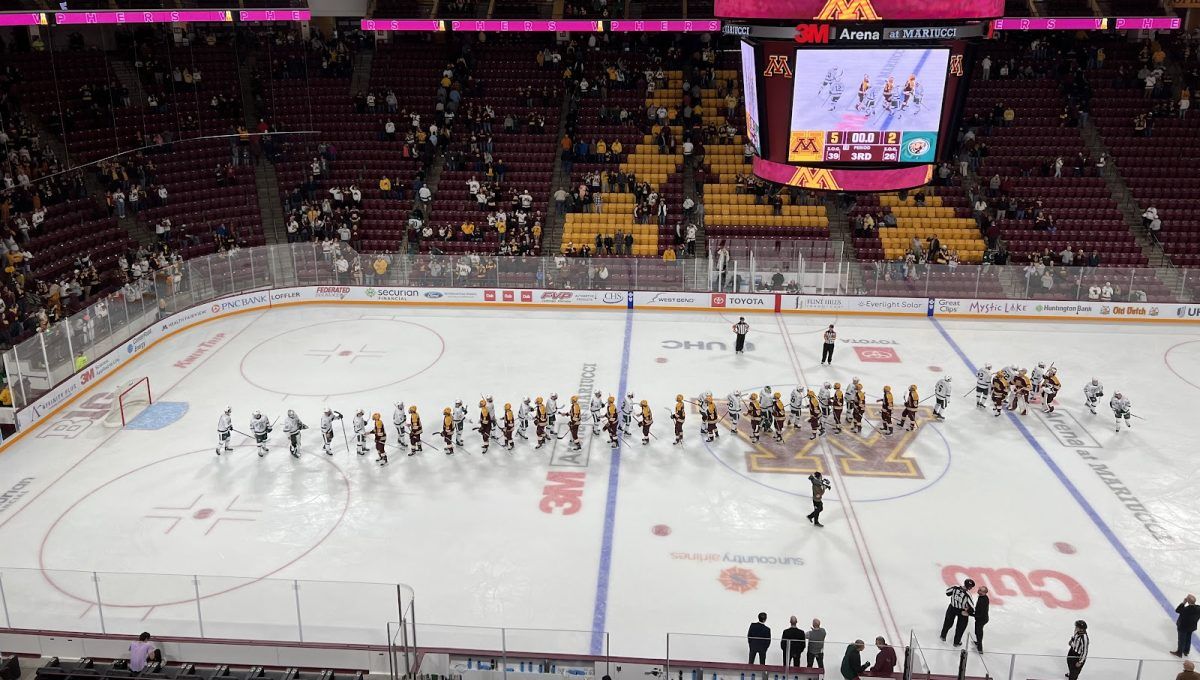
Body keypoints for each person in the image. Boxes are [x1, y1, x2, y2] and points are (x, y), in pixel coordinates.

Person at [940, 578, 975, 646]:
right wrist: (968, 611)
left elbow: (947, 593)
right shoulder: (968, 595)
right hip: (961, 611)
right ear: (970, 587)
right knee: (961, 627)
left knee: (947, 622)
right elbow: (972, 607)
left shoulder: (955, 588)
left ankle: (943, 636)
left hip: (952, 608)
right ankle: (956, 642)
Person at [974, 586, 990, 652]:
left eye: (980, 590)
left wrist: (969, 614)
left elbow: (980, 614)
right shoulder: (982, 597)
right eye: (979, 589)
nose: (978, 590)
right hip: (980, 618)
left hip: (981, 619)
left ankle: (980, 648)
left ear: (984, 593)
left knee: (978, 632)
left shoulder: (983, 600)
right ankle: (978, 642)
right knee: (977, 631)